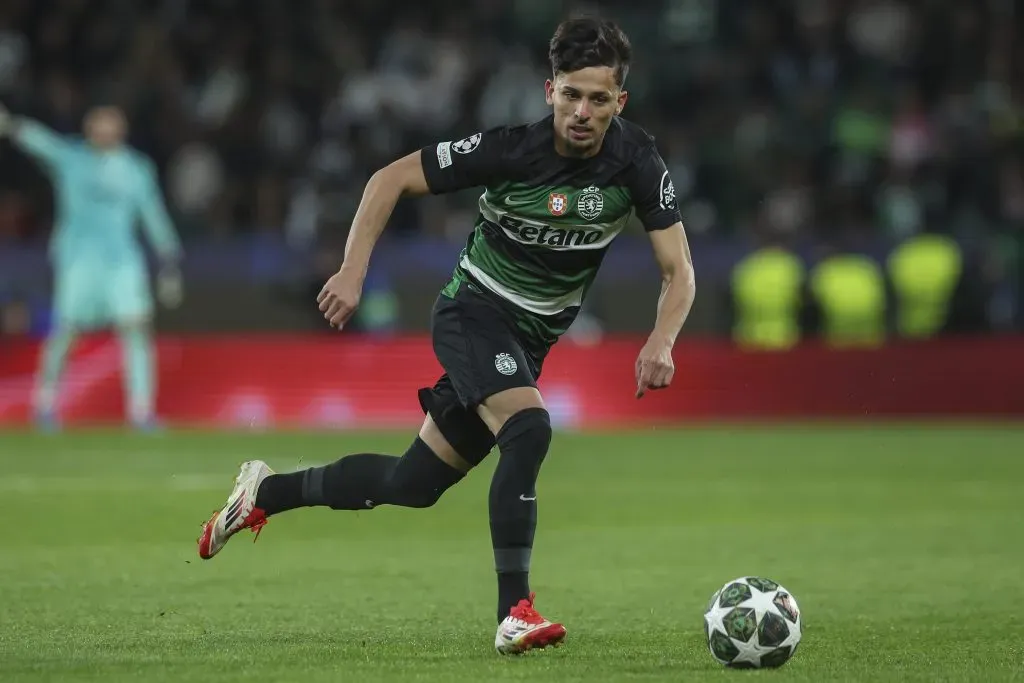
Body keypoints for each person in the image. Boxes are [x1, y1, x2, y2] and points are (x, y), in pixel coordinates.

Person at [197, 17, 696, 654]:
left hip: (528, 342)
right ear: (549, 91)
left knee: (413, 485)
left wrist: (663, 338)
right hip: (473, 313)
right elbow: (390, 179)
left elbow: (678, 270)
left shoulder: (637, 161)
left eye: (598, 99)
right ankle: (514, 613)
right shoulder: (510, 149)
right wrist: (353, 271)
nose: (581, 110)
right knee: (530, 428)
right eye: (570, 94)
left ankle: (265, 491)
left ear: (618, 103)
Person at [0, 104, 183, 431]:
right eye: (98, 124)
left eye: (110, 124)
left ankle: (141, 410)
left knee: (136, 329)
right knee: (66, 332)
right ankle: (44, 404)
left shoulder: (136, 168)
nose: (104, 130)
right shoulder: (72, 158)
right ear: (89, 129)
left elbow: (152, 212)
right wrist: (12, 124)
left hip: (122, 261)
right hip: (79, 260)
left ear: (121, 129)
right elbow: (40, 141)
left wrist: (168, 256)